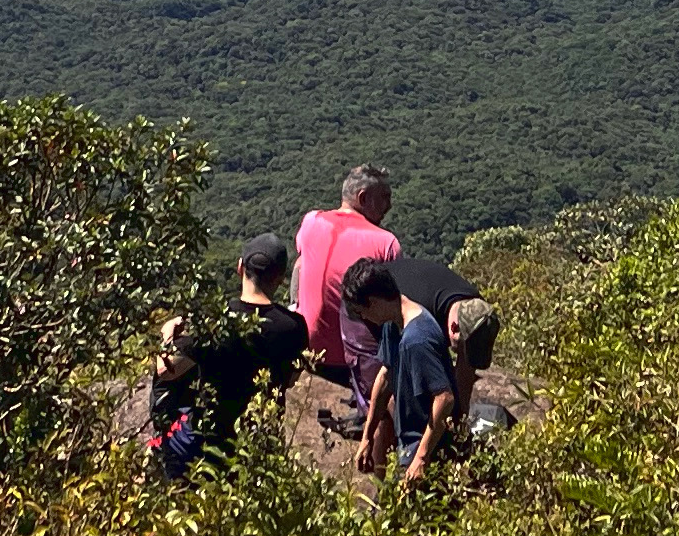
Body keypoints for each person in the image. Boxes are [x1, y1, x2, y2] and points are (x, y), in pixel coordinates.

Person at [141, 235, 308, 480]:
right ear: (281, 278)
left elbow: (166, 370)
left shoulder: (215, 321)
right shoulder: (295, 327)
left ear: (240, 267)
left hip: (209, 442)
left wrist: (168, 334)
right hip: (260, 439)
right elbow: (292, 378)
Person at [344, 253, 463, 490]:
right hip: (409, 443)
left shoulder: (416, 339)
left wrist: (421, 458)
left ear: (375, 302)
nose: (363, 318)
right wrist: (367, 436)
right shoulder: (393, 321)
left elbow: (445, 397)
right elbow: (386, 374)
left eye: (362, 311)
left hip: (428, 447)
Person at [293, 167, 401, 420]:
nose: (390, 205)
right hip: (352, 363)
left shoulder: (311, 222)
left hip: (309, 352)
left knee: (301, 263)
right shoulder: (386, 243)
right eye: (384, 197)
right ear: (363, 198)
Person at [386, 249, 503, 429]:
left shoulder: (477, 313)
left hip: (414, 290)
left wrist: (460, 425)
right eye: (464, 347)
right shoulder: (419, 321)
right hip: (372, 303)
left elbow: (465, 372)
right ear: (453, 328)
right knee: (397, 397)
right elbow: (396, 374)